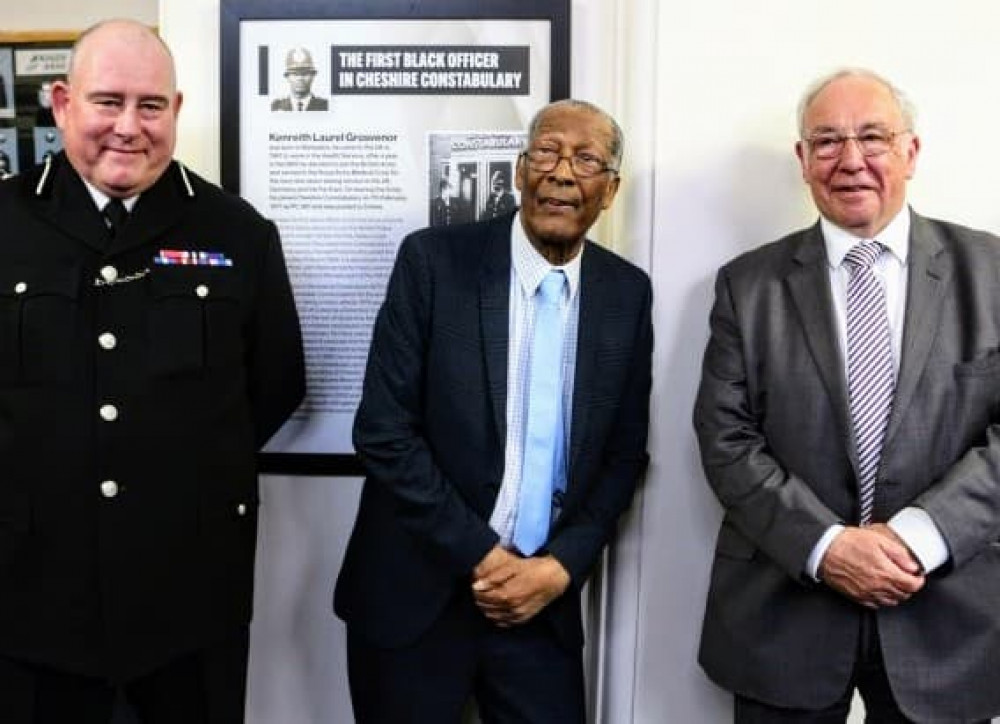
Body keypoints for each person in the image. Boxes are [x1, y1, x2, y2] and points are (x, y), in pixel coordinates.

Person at [0, 19, 305, 723]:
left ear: (177, 110)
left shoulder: (237, 233)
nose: (128, 128)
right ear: (61, 102)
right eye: (108, 101)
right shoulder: (8, 222)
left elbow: (275, 382)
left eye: (151, 105)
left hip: (187, 594)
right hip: (30, 592)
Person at [694, 67, 1000, 724]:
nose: (851, 160)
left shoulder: (992, 272)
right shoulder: (746, 286)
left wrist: (918, 537)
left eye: (873, 137)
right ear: (803, 161)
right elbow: (726, 439)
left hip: (948, 620)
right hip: (782, 612)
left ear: (911, 152)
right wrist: (828, 545)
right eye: (827, 142)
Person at [336, 98, 652, 723]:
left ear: (609, 191)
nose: (562, 172)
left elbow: (623, 455)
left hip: (542, 607)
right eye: (546, 152)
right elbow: (383, 432)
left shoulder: (626, 292)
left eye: (586, 159)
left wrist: (561, 567)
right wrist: (485, 555)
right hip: (414, 597)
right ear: (518, 170)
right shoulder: (433, 263)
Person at [270, 47, 328, 112]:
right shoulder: (276, 107)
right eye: (295, 74)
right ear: (287, 77)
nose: (300, 78)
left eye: (305, 73)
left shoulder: (325, 107)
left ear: (313, 75)